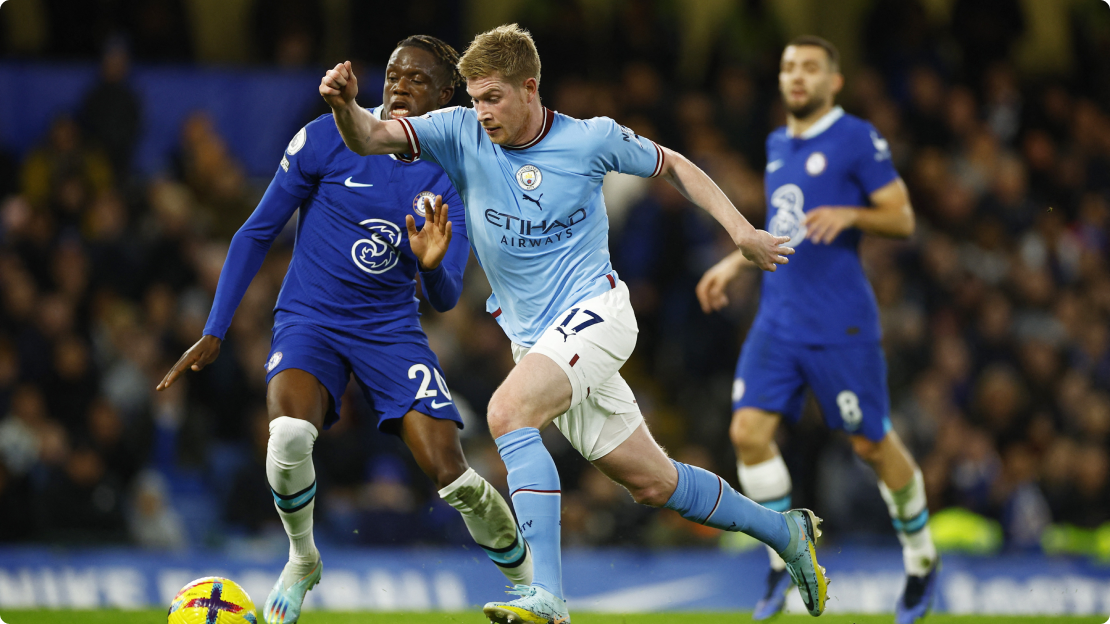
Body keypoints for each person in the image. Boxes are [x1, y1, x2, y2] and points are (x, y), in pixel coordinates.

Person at [320, 24, 828, 624]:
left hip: (598, 313)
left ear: (529, 88)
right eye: (475, 98)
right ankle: (786, 533)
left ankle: (547, 599)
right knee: (653, 483)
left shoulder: (590, 141)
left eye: (493, 98)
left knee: (507, 414)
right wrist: (343, 106)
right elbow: (370, 136)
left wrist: (741, 231)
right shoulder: (456, 133)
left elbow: (675, 166)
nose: (481, 112)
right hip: (536, 341)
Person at [157, 35, 533, 624]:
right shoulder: (325, 135)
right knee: (286, 438)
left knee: (452, 476)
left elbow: (446, 296)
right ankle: (303, 557)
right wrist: (216, 328)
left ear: (446, 93)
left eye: (417, 79)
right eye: (393, 75)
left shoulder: (455, 173)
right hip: (311, 319)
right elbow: (255, 232)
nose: (401, 86)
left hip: (389, 330)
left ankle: (535, 593)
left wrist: (431, 266)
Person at [696, 36, 937, 623]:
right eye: (788, 68)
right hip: (777, 321)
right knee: (748, 432)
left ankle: (923, 560)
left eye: (809, 68)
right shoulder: (778, 141)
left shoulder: (855, 137)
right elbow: (786, 224)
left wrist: (854, 214)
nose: (796, 77)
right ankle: (785, 560)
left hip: (840, 324)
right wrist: (734, 260)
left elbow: (902, 217)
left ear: (834, 82)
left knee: (871, 444)